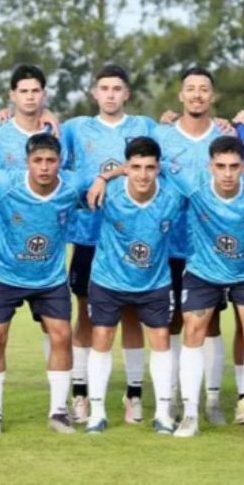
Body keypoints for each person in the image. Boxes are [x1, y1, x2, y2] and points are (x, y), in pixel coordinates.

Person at [166, 136, 244, 439]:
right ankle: (190, 415)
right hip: (202, 271)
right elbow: (149, 166)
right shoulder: (193, 182)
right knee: (193, 332)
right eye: (221, 166)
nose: (227, 173)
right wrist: (105, 178)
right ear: (210, 166)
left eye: (234, 166)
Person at [0, 134, 93, 435]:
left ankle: (58, 413)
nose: (44, 167)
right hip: (3, 275)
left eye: (50, 161)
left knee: (62, 335)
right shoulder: (2, 181)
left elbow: (104, 178)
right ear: (27, 162)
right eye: (37, 160)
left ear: (59, 163)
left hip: (49, 278)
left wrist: (105, 178)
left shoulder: (73, 186)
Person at [60, 64, 159, 424]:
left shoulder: (145, 127)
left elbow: (148, 164)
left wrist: (107, 174)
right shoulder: (75, 128)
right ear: (94, 93)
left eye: (117, 88)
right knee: (85, 313)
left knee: (132, 312)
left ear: (126, 93)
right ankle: (81, 392)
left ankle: (133, 395)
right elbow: (44, 138)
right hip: (89, 235)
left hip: (134, 234)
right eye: (104, 88)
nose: (111, 94)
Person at [84, 137, 183, 435]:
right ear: (126, 168)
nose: (142, 174)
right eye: (136, 167)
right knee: (102, 337)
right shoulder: (109, 194)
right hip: (107, 278)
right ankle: (97, 414)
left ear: (158, 168)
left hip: (154, 281)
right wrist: (103, 177)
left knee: (161, 340)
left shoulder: (173, 197)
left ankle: (164, 414)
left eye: (149, 167)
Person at [156, 66, 228, 425]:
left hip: (210, 249)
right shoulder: (161, 135)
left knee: (209, 323)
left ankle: (211, 401)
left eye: (203, 89)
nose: (197, 95)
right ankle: (168, 399)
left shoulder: (226, 135)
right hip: (169, 246)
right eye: (190, 89)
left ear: (211, 97)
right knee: (169, 323)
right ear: (181, 96)